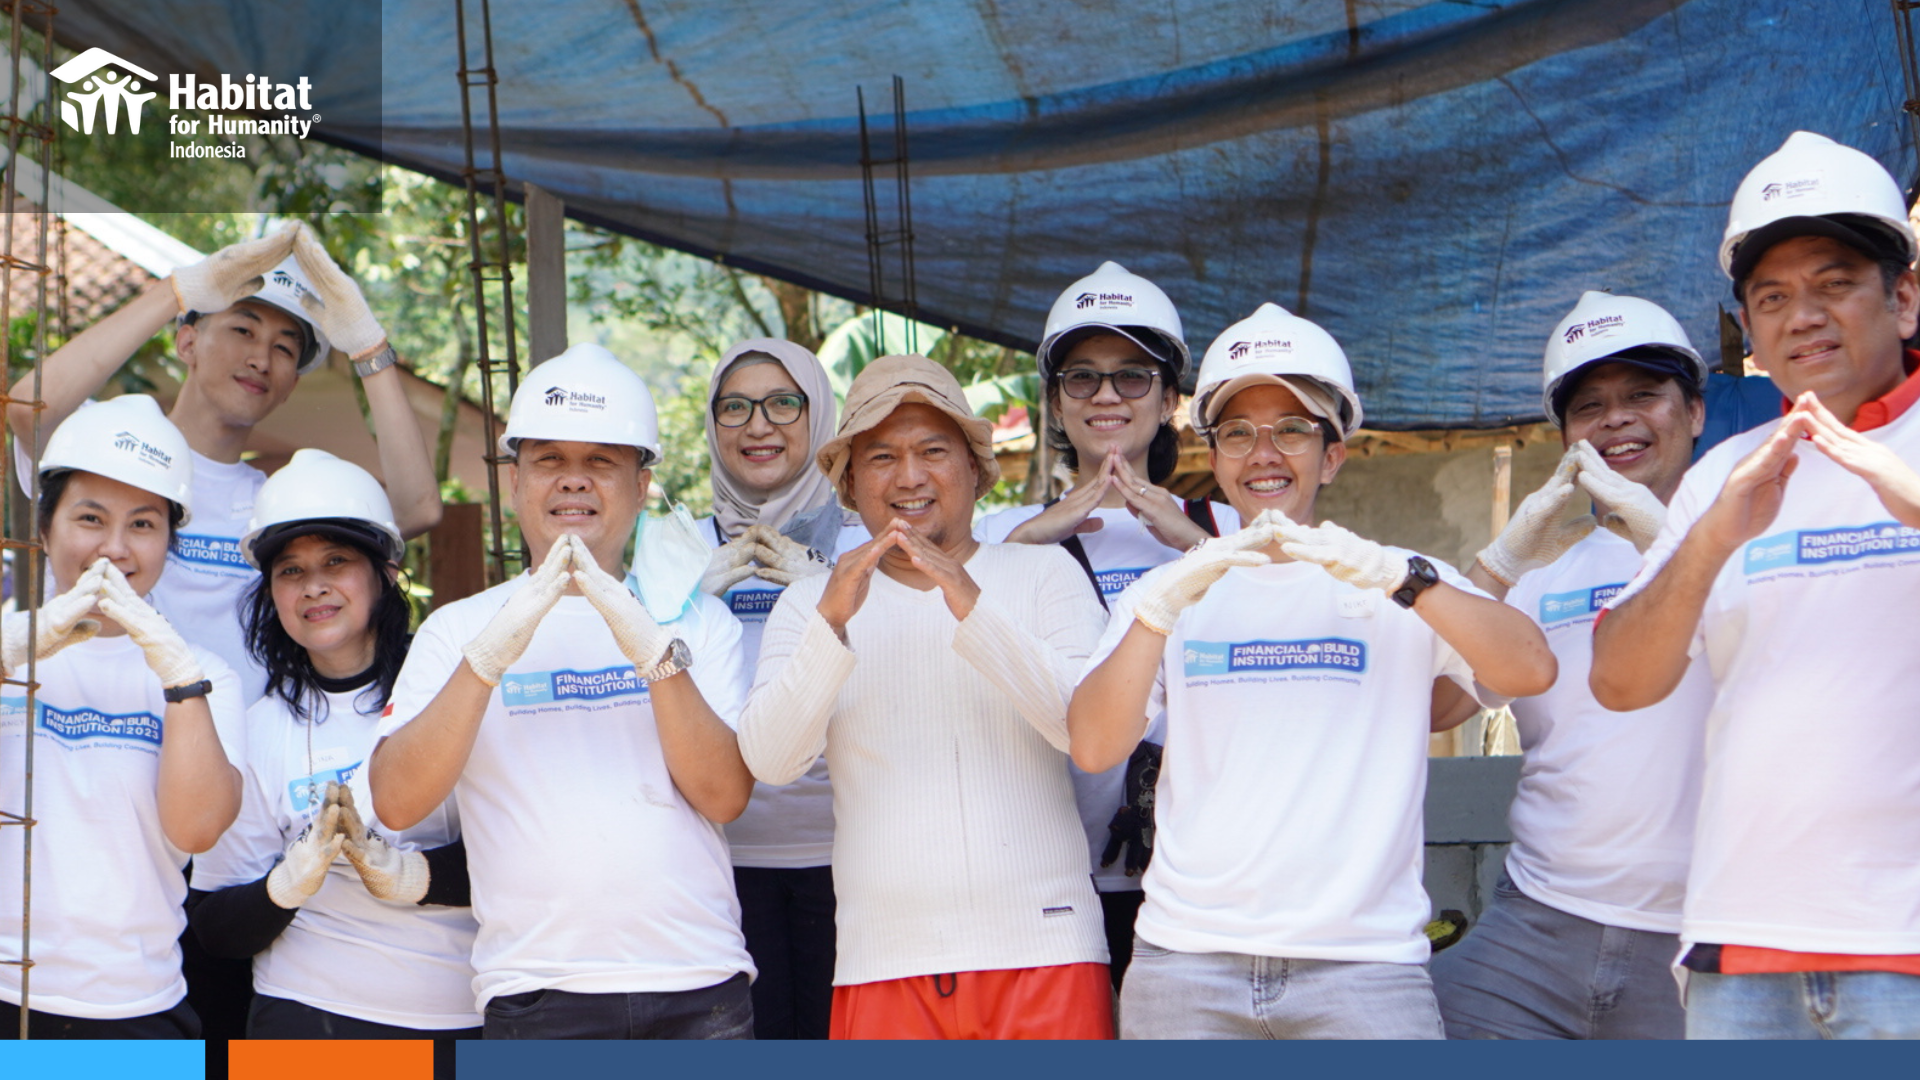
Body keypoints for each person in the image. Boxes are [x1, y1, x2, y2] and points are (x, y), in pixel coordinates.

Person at [1069, 304, 1556, 1040]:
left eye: (1292, 429)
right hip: (1187, 967)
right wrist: (1160, 607)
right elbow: (1094, 747)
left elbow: (1528, 669)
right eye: (1237, 432)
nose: (1263, 452)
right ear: (1216, 454)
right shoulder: (1168, 596)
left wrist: (1404, 577)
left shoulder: (1399, 583)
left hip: (1362, 971)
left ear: (1332, 455)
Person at [1591, 130, 1920, 1039]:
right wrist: (1710, 540)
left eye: (1834, 283)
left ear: (1905, 298)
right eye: (1772, 297)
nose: (1802, 316)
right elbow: (1621, 681)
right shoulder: (1725, 472)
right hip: (1741, 951)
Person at [369, 343, 756, 1040]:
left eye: (601, 462)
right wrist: (486, 659)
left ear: (641, 487)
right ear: (514, 482)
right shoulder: (457, 629)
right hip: (536, 991)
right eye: (550, 461)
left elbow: (725, 794)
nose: (573, 483)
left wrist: (654, 652)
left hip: (700, 985)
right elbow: (396, 801)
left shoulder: (702, 623)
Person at [737, 354, 1112, 1040]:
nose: (909, 477)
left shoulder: (1044, 574)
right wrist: (831, 624)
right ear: (849, 483)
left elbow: (1086, 733)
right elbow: (770, 761)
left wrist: (969, 601)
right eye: (881, 456)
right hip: (884, 963)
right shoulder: (810, 604)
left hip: (1047, 953)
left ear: (975, 466)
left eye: (933, 450)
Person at [1430, 291, 1714, 1039]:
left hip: (1701, 932)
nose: (1616, 419)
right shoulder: (1546, 578)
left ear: (1696, 413)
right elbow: (1438, 703)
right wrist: (1500, 563)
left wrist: (1679, 549)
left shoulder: (1753, 548)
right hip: (1535, 931)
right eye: (1589, 407)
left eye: (1643, 395)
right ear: (1567, 440)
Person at [5, 221, 441, 703]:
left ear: (293, 383)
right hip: (87, 741)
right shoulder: (104, 452)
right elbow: (28, 409)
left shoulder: (273, 504)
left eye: (283, 348)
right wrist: (177, 291)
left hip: (229, 759)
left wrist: (367, 348)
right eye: (242, 329)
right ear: (187, 342)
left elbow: (416, 511)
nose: (260, 358)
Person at [976, 262, 1237, 988]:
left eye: (1132, 376)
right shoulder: (996, 535)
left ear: (1172, 399)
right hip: (1045, 887)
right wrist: (1030, 542)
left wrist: (1194, 546)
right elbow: (940, 646)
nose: (1107, 396)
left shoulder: (1235, 529)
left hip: (1204, 881)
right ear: (1056, 404)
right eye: (1082, 378)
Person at [186, 450, 481, 1053]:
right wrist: (286, 886)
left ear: (386, 571)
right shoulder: (257, 728)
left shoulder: (453, 697)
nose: (313, 585)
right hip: (306, 1023)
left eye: (336, 561)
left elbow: (526, 855)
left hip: (459, 1018)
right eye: (290, 571)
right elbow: (215, 927)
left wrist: (410, 876)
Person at [0, 395, 243, 1037]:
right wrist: (20, 645)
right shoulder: (8, 649)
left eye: (142, 524)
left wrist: (177, 674)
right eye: (89, 518)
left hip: (138, 1005)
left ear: (169, 540)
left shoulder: (207, 674)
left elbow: (196, 830)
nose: (114, 549)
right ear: (46, 527)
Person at [689, 338, 866, 1040]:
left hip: (849, 858)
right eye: (734, 407)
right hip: (721, 863)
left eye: (782, 403)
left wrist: (822, 581)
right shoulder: (675, 546)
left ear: (818, 416)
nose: (757, 425)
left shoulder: (864, 539)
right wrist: (685, 596)